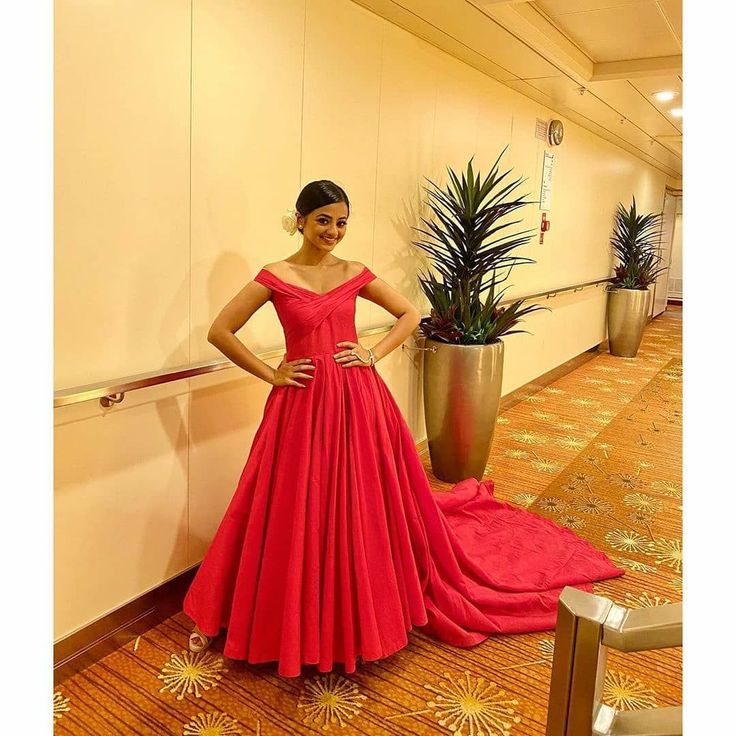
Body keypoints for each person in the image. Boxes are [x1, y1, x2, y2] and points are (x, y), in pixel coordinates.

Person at [183, 179, 624, 678]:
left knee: (362, 497)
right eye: (324, 219)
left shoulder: (354, 272)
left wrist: (370, 353)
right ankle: (291, 614)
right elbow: (220, 331)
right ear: (300, 219)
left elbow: (410, 314)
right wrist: (273, 372)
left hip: (357, 399)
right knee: (292, 499)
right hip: (301, 403)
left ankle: (361, 606)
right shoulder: (275, 275)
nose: (334, 231)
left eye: (342, 221)